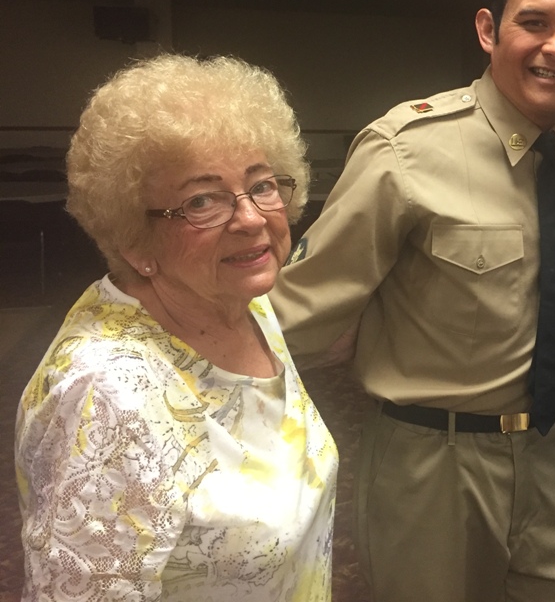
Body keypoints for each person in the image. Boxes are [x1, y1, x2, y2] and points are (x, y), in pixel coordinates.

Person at [269, 0, 555, 601]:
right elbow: (293, 317)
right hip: (432, 462)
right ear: (489, 29)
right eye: (534, 22)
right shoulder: (405, 150)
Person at [15, 55, 338, 601]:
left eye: (262, 185)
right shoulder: (107, 397)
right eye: (201, 201)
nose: (252, 218)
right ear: (132, 240)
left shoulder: (242, 301)